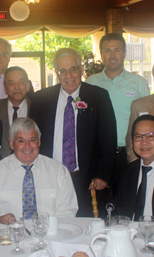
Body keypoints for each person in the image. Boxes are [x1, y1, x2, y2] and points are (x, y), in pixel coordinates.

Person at [30, 48, 117, 217]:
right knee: (50, 223)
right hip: (49, 177)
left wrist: (103, 174)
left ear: (81, 69)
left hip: (86, 180)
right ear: (57, 73)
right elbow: (33, 139)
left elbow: (108, 140)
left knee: (84, 226)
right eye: (63, 71)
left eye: (73, 69)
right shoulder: (41, 100)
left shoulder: (98, 97)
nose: (68, 76)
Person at [86, 33, 150, 199]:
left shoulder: (138, 83)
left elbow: (147, 119)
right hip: (99, 154)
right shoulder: (91, 83)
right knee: (100, 202)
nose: (112, 55)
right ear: (101, 54)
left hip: (129, 153)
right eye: (107, 50)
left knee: (128, 200)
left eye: (117, 50)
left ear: (124, 53)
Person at [0, 118, 78, 219]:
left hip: (51, 232)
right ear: (11, 144)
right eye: (21, 141)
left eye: (32, 140)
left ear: (39, 142)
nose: (27, 146)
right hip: (10, 233)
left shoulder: (59, 171)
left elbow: (68, 211)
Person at [0, 66, 31, 158]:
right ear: (5, 88)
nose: (17, 87)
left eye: (21, 82)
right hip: (0, 166)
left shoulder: (39, 108)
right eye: (11, 83)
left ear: (28, 86)